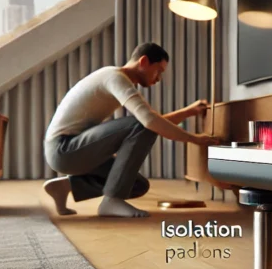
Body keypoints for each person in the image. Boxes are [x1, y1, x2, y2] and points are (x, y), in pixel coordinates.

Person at [42, 42, 217, 218]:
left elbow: (152, 123)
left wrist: (188, 112)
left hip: (73, 151)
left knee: (137, 185)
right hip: (63, 149)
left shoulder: (115, 77)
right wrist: (195, 139)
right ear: (144, 61)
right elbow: (148, 122)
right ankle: (111, 200)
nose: (158, 78)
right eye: (159, 71)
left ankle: (65, 187)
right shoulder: (114, 77)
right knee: (141, 124)